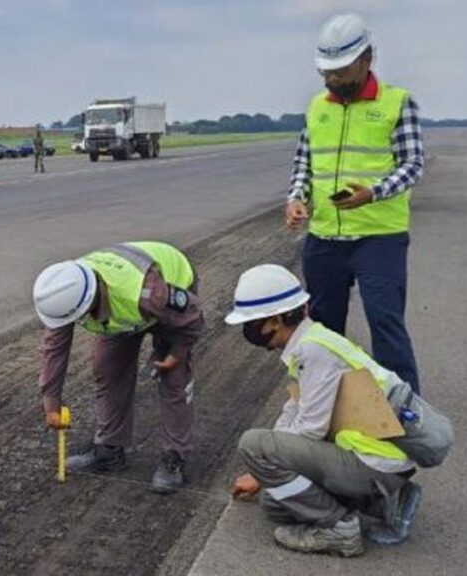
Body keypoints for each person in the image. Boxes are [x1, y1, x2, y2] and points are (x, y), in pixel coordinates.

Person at [226, 264, 423, 557]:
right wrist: (263, 472)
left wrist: (263, 459)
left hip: (376, 460)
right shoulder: (311, 342)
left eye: (253, 323)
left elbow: (310, 428)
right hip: (373, 457)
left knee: (253, 444)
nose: (250, 331)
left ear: (278, 319)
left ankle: (340, 530)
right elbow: (294, 410)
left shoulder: (313, 352)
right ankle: (382, 503)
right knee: (275, 503)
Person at [285, 13, 425, 393]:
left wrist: (372, 192)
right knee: (323, 327)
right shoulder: (317, 108)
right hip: (325, 239)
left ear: (366, 60)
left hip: (379, 237)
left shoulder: (398, 103)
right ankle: (326, 398)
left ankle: (405, 407)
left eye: (341, 72)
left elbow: (412, 165)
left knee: (385, 322)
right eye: (326, 73)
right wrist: (297, 198)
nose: (333, 80)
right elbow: (304, 162)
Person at [32, 241, 204, 493]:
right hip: (122, 310)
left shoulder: (148, 293)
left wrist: (177, 353)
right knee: (107, 369)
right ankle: (109, 450)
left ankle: (174, 457)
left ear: (88, 302)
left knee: (172, 376)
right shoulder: (66, 291)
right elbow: (54, 349)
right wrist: (51, 402)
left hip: (169, 296)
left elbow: (193, 316)